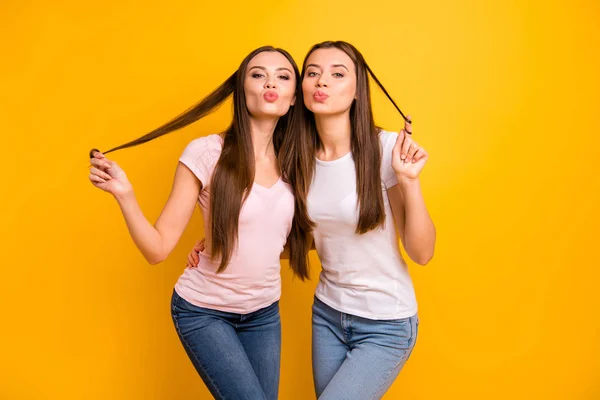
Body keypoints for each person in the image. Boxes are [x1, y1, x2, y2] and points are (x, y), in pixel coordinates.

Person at [88, 46, 310, 400]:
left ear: (294, 98)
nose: (271, 82)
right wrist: (125, 194)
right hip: (205, 311)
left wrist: (232, 242)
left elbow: (292, 242)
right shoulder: (207, 152)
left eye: (283, 76)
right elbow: (157, 249)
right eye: (258, 74)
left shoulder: (297, 161)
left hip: (265, 314)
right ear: (241, 88)